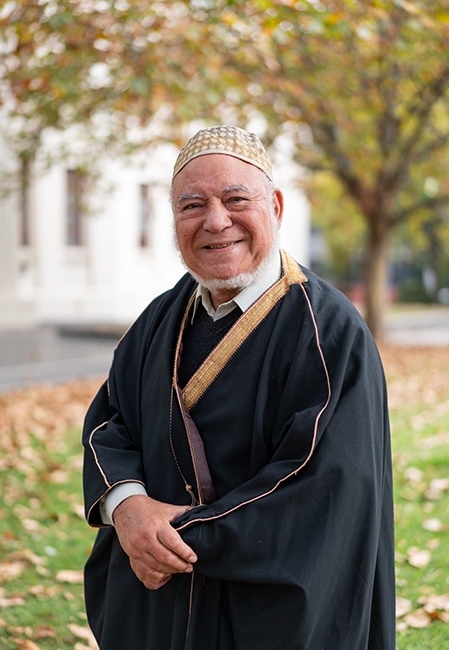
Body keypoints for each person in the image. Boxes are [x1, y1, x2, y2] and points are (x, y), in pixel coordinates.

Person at [82, 125, 396, 650]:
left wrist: (171, 537)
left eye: (235, 199)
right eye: (191, 206)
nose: (216, 221)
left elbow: (318, 488)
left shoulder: (328, 332)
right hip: (160, 607)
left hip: (262, 616)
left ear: (274, 205)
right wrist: (129, 509)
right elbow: (110, 424)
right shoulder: (161, 317)